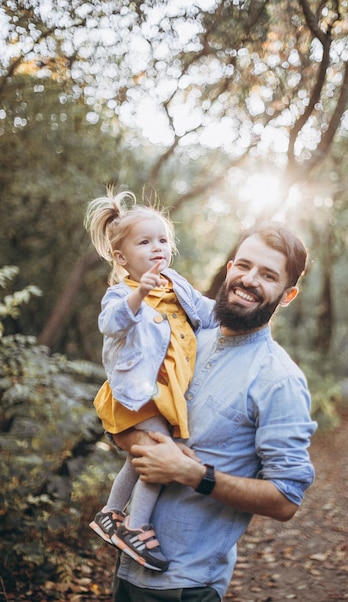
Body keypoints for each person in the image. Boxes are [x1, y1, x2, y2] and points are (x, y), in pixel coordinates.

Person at [112, 220, 318, 602]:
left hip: (187, 586)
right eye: (244, 266)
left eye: (268, 275)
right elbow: (118, 419)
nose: (249, 280)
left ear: (287, 296)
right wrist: (144, 440)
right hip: (126, 569)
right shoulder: (183, 338)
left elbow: (286, 499)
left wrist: (193, 474)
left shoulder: (279, 380)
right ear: (229, 269)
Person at [84, 188, 216, 572]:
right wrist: (138, 295)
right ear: (122, 258)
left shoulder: (176, 285)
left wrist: (244, 316)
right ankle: (136, 528)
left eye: (163, 240)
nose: (157, 248)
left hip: (164, 397)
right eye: (145, 242)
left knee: (139, 458)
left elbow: (209, 313)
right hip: (136, 397)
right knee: (161, 456)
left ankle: (110, 513)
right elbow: (109, 325)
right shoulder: (121, 292)